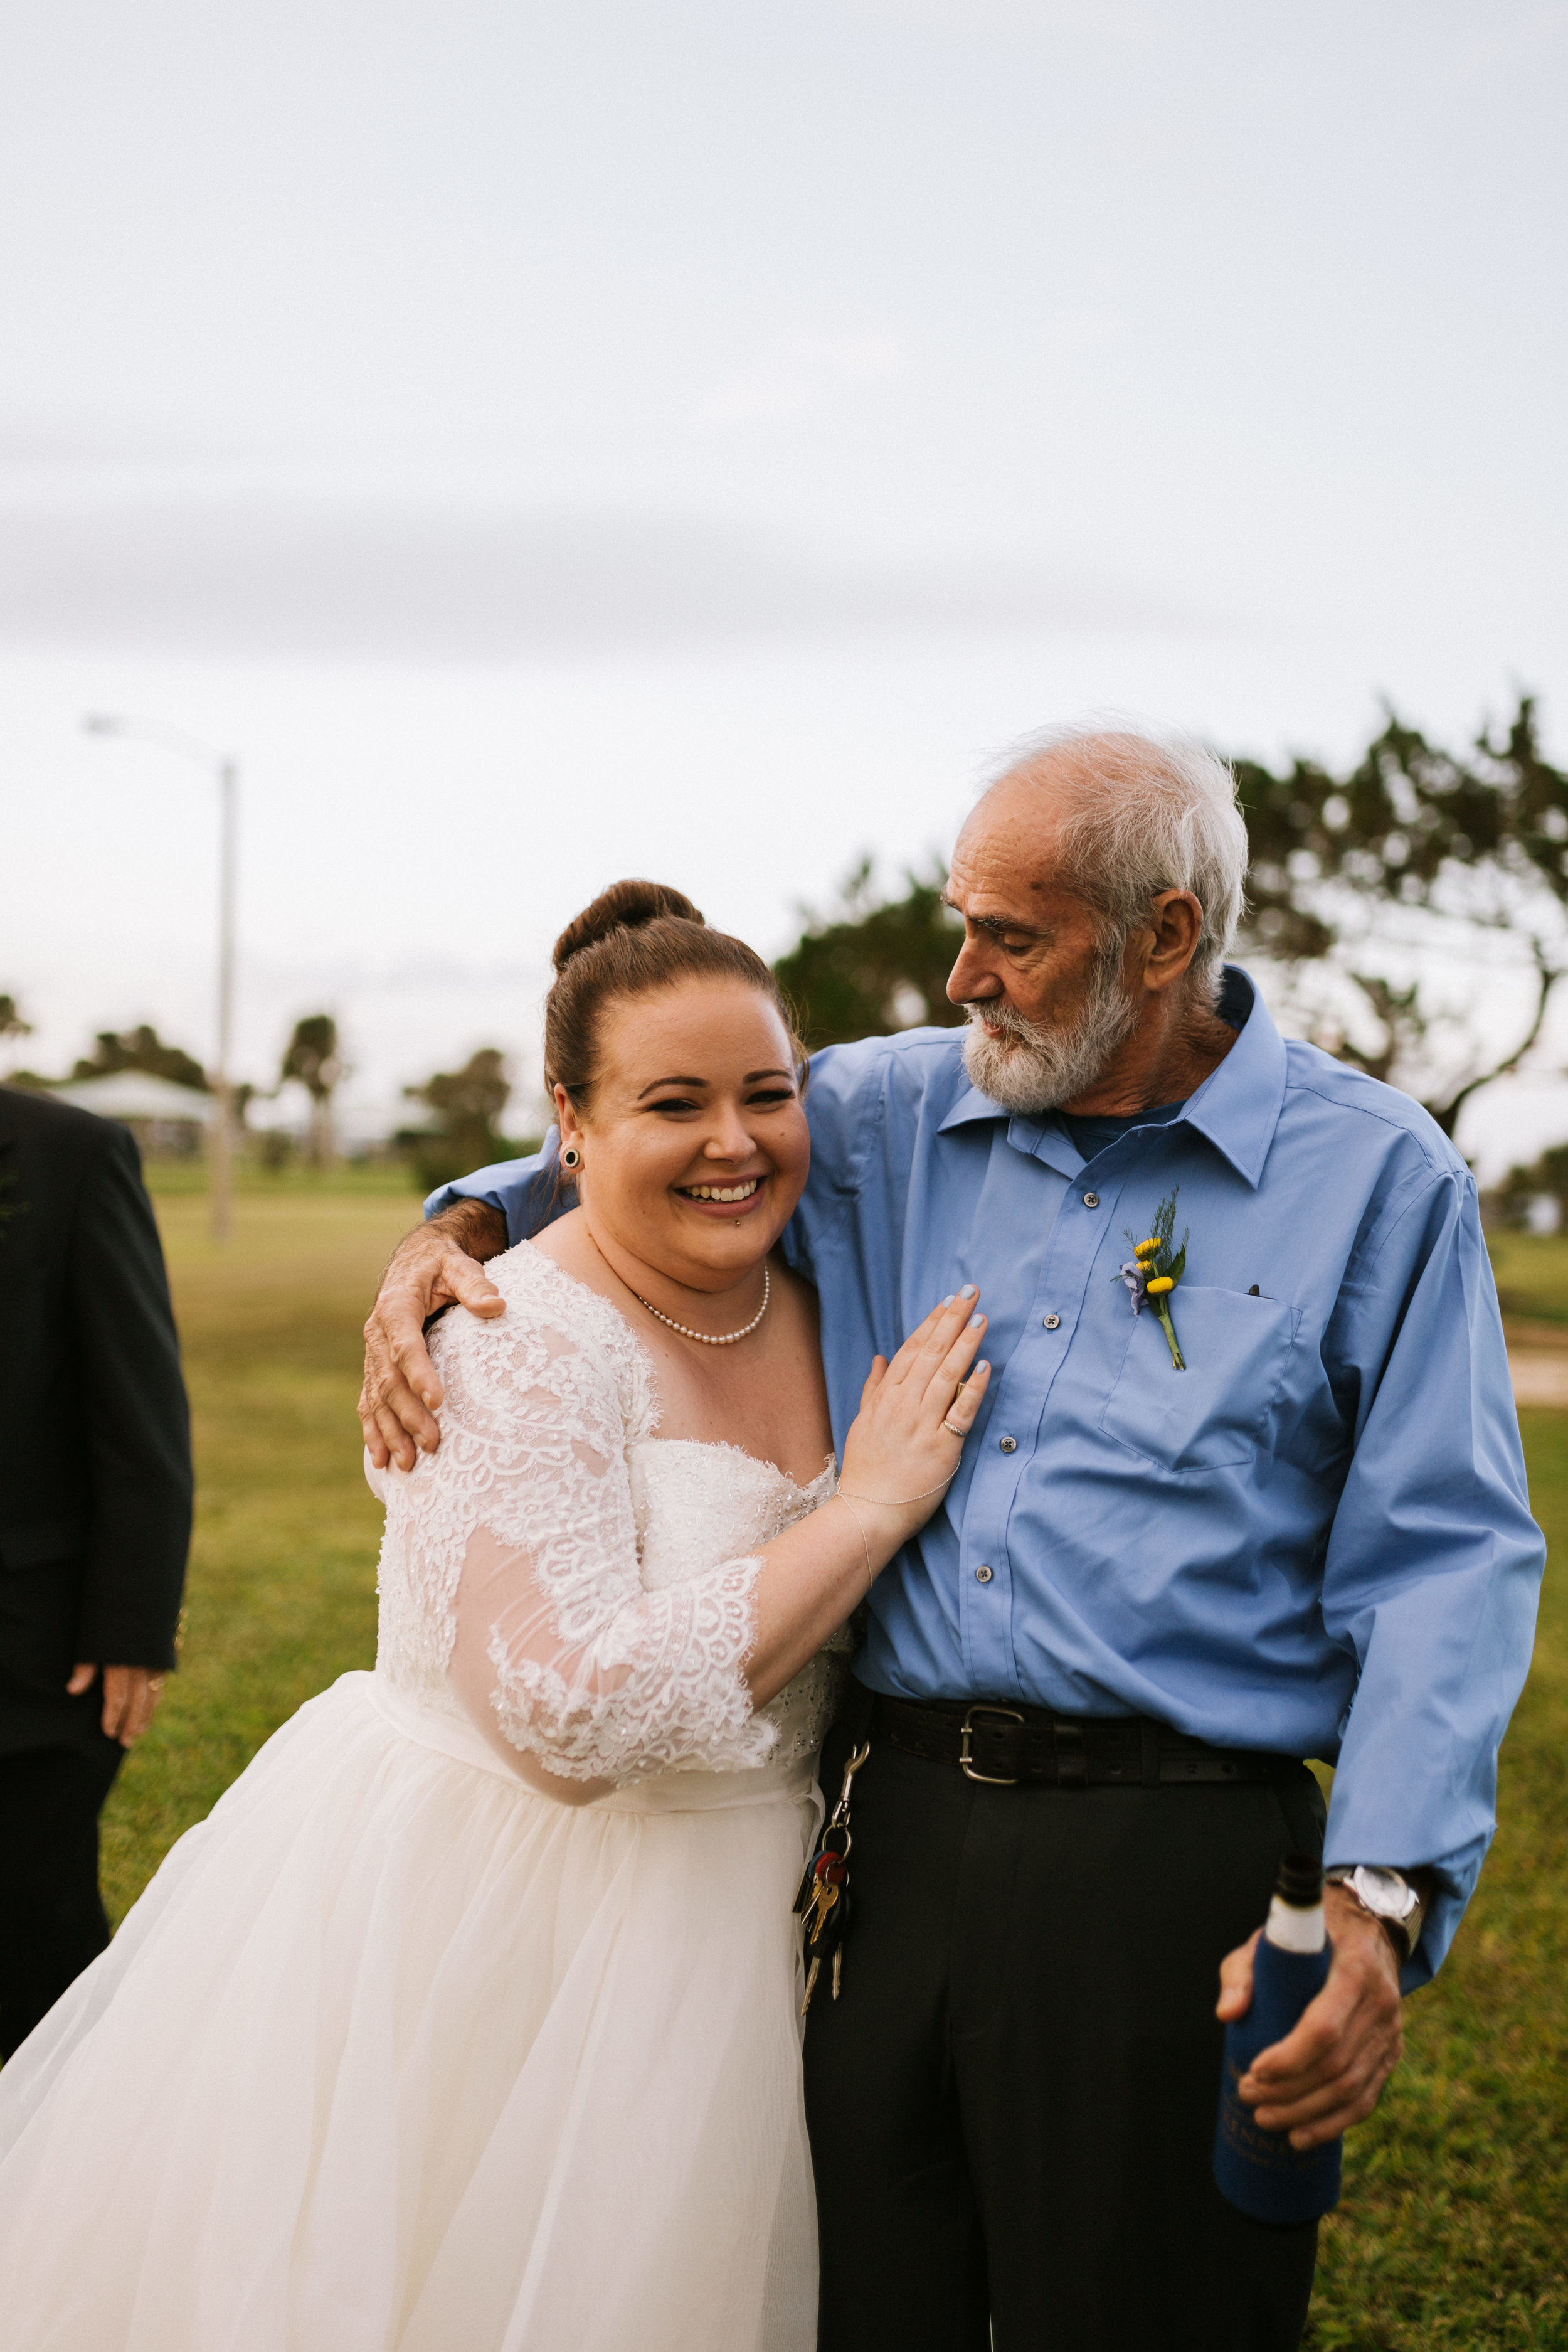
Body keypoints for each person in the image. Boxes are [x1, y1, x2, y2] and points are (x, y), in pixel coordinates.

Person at [363, 726, 1544, 2352]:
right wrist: (462, 1220)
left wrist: (1375, 1898)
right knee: (867, 2301)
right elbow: (673, 1130)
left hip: (1171, 1859)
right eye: (958, 916)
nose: (959, 970)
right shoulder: (891, 1107)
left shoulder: (1376, 1179)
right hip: (878, 1836)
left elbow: (1443, 1556)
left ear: (1164, 937)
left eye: (1012, 933)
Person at [0, 883, 990, 2352]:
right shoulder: (512, 1339)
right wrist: (865, 1511)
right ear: (566, 1124)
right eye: (675, 1102)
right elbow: (562, 1715)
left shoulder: (822, 1293)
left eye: (767, 1094)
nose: (734, 1141)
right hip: (505, 1927)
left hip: (761, 1916)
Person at [0, 1082, 191, 2060]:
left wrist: (132, 1624)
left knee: (33, 1940)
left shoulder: (70, 1154)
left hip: (31, 1665)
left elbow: (140, 1413)